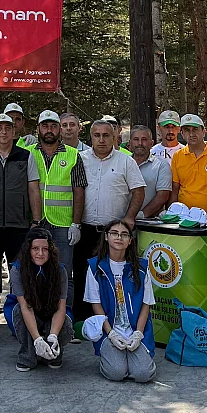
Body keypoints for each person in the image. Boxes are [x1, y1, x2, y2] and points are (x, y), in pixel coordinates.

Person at [0, 113, 42, 343]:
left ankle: (23, 322)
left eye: (8, 128)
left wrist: (36, 221)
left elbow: (33, 189)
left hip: (20, 226)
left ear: (15, 132)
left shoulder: (26, 156)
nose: (4, 132)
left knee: (23, 276)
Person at [75, 118, 145, 321]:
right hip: (86, 229)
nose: (101, 140)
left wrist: (129, 217)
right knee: (82, 275)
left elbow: (138, 191)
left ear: (114, 136)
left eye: (106, 135)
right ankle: (83, 321)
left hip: (114, 232)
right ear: (91, 137)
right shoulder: (81, 158)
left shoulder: (125, 161)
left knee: (113, 277)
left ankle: (114, 319)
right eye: (97, 135)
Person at [85, 219, 157, 382]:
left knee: (143, 375)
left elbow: (146, 304)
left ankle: (132, 360)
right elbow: (95, 304)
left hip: (135, 330)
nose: (119, 238)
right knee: (116, 373)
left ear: (130, 240)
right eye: (114, 233)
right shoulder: (95, 267)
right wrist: (110, 334)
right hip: (110, 330)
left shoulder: (142, 267)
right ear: (106, 237)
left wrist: (138, 333)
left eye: (124, 235)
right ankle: (115, 358)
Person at [30, 110, 86, 312]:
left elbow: (79, 192)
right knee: (35, 273)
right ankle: (38, 318)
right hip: (36, 223)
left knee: (63, 274)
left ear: (60, 129)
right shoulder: (30, 153)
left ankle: (66, 319)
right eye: (45, 126)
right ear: (38, 129)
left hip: (63, 224)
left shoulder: (72, 155)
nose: (49, 130)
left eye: (53, 126)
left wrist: (76, 224)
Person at [4, 227, 68, 372]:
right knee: (18, 312)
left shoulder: (60, 270)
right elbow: (25, 306)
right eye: (35, 248)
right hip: (30, 310)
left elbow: (61, 306)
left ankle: (53, 349)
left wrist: (53, 335)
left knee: (67, 322)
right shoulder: (17, 269)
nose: (40, 253)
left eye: (45, 249)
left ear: (50, 250)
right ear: (28, 249)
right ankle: (28, 354)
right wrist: (37, 339)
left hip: (50, 312)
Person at [128, 125, 172, 220]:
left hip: (149, 222)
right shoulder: (123, 163)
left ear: (151, 143)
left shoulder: (161, 165)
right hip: (122, 222)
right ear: (130, 143)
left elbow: (163, 196)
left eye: (144, 139)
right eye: (136, 139)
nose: (140, 143)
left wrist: (142, 215)